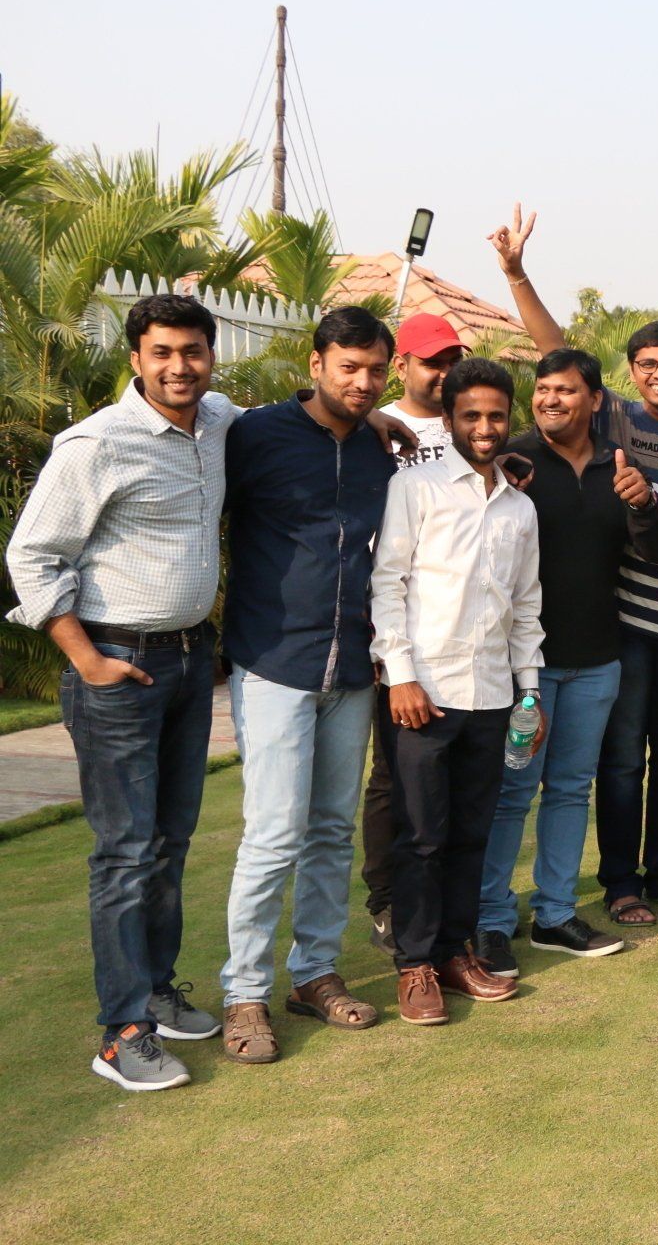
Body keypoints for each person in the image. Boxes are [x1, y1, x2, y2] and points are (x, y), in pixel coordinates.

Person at [7, 294, 232, 1090]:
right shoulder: (95, 443)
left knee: (169, 842)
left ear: (212, 355)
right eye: (163, 352)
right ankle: (122, 1030)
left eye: (193, 352)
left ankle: (159, 992)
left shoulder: (217, 422)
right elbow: (31, 557)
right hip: (117, 669)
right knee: (126, 852)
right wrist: (85, 658)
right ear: (134, 358)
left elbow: (298, 417)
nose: (180, 367)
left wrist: (379, 423)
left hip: (186, 663)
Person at [491, 206, 658, 927]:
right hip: (612, 623)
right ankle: (613, 883)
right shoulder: (616, 423)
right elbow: (558, 360)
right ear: (629, 377)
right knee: (607, 766)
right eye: (647, 365)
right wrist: (517, 274)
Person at [216, 307, 398, 1064]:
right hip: (274, 664)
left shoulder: (382, 452)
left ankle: (313, 973)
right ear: (316, 362)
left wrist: (383, 421)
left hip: (352, 667)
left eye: (374, 371)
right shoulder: (253, 434)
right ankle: (243, 992)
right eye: (348, 367)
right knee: (272, 833)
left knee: (330, 829)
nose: (361, 382)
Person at [474, 348, 658, 975]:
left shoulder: (621, 467)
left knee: (569, 791)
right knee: (511, 792)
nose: (549, 400)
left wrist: (643, 503)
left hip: (597, 663)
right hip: (525, 668)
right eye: (542, 390)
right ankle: (489, 919)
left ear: (596, 400)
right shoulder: (512, 463)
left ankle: (556, 913)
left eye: (565, 391)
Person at [370, 358, 545, 1025]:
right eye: (470, 415)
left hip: (493, 694)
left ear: (510, 420)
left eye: (495, 415)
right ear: (449, 419)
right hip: (423, 693)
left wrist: (529, 692)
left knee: (472, 833)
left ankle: (453, 951)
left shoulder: (521, 507)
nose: (483, 426)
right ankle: (413, 963)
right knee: (421, 836)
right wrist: (401, 673)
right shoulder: (414, 488)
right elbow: (388, 584)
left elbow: (526, 604)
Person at [361, 311, 469, 957]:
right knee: (392, 777)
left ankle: (449, 898)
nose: (444, 371)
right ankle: (388, 901)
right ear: (402, 365)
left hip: (459, 629)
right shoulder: (375, 428)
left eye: (452, 359)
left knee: (452, 775)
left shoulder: (472, 427)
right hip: (393, 622)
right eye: (432, 360)